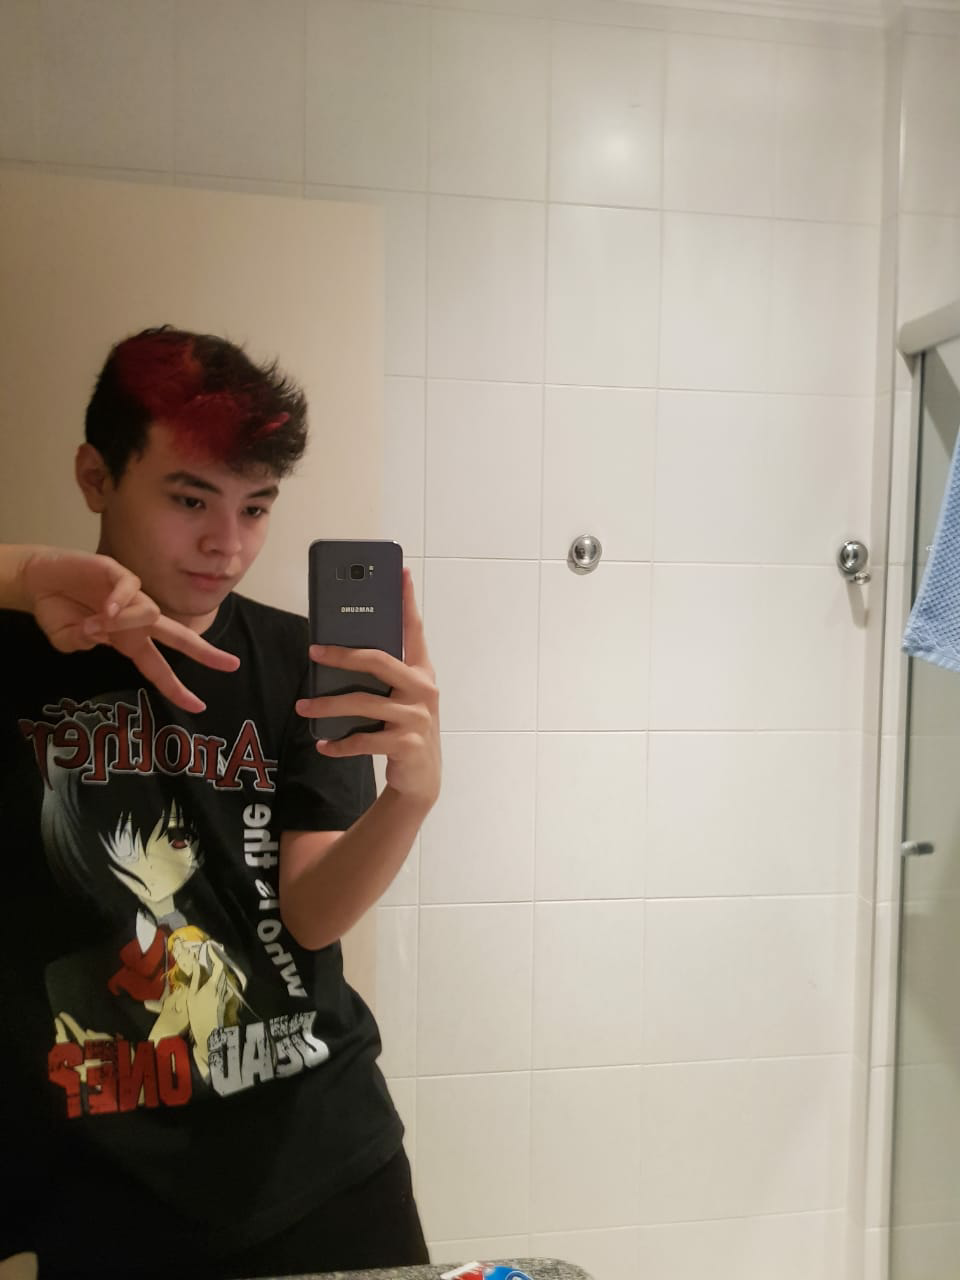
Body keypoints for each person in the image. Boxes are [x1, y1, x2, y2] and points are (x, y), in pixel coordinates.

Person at [0, 327, 441, 1280]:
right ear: (95, 476)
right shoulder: (15, 650)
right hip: (105, 1184)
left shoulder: (298, 661)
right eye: (190, 498)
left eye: (257, 507)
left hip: (325, 1161)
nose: (227, 545)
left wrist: (408, 800)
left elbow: (312, 914)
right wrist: (22, 576)